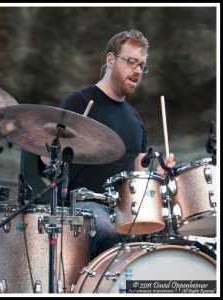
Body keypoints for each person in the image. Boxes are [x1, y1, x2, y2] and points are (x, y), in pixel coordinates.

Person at [59, 29, 175, 260]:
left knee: (163, 234)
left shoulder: (135, 118)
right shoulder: (80, 102)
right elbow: (47, 155)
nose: (138, 70)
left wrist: (159, 174)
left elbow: (139, 173)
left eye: (142, 65)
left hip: (124, 210)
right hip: (84, 205)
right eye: (131, 62)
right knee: (111, 232)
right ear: (110, 59)